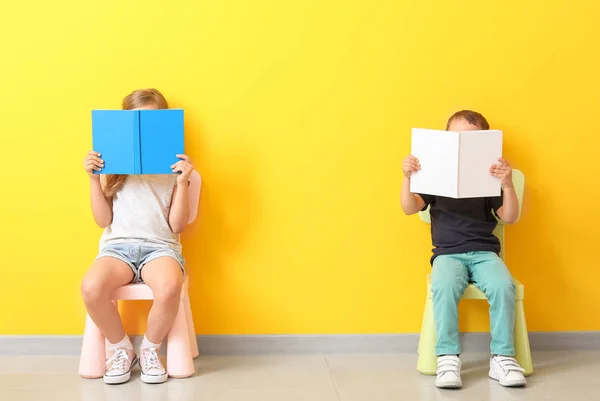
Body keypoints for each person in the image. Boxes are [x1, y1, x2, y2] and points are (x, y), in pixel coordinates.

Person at [401, 110, 527, 389]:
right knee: (443, 288)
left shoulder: (488, 178)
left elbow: (509, 216)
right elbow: (409, 208)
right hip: (447, 253)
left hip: (484, 252)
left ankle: (503, 357)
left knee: (503, 285)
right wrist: (408, 177)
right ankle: (447, 356)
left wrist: (506, 183)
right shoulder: (434, 176)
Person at [81, 88, 195, 384]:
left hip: (160, 248)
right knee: (91, 287)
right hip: (118, 249)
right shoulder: (114, 167)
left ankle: (150, 349)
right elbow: (102, 220)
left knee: (170, 286)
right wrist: (94, 179)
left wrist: (183, 184)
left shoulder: (174, 170)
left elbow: (177, 226)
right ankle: (121, 349)